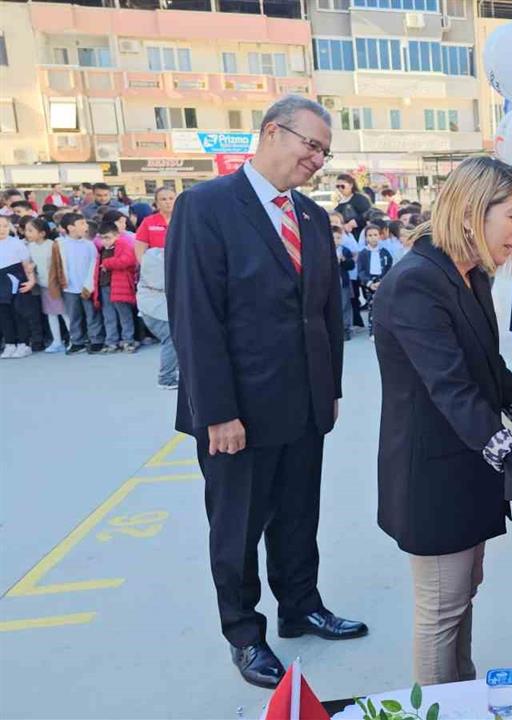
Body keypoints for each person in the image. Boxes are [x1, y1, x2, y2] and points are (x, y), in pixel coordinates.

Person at [167, 96, 363, 689]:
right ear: (272, 132)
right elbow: (195, 316)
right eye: (311, 144)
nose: (318, 159)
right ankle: (244, 633)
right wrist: (217, 412)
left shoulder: (308, 215)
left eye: (325, 151)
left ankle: (301, 606)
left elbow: (327, 311)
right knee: (238, 527)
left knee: (299, 515)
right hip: (239, 412)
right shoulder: (205, 207)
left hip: (303, 403)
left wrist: (328, 388)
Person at [373, 155, 512, 687]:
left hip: (469, 463)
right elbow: (454, 391)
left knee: (463, 597)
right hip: (433, 476)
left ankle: (461, 693)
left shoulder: (468, 274)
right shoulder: (416, 283)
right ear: (471, 211)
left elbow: (489, 368)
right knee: (441, 612)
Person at [58, 212, 103, 355]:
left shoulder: (89, 245)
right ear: (70, 228)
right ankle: (77, 341)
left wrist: (89, 284)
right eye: (82, 223)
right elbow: (59, 265)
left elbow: (94, 264)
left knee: (92, 314)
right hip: (70, 287)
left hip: (87, 286)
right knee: (74, 316)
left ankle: (96, 340)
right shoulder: (61, 244)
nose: (86, 226)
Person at [136, 235, 177, 389]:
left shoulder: (152, 254)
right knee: (171, 341)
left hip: (150, 305)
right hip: (156, 308)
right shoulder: (161, 260)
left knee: (176, 340)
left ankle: (175, 372)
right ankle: (166, 378)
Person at [22, 216, 66, 354]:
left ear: (42, 233)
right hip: (43, 285)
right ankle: (57, 341)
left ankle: (74, 339)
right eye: (26, 230)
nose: (27, 233)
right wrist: (31, 266)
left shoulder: (52, 245)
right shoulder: (30, 246)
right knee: (50, 314)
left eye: (30, 230)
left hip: (55, 285)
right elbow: (30, 262)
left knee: (64, 313)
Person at [95, 223, 137, 354]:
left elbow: (128, 260)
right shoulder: (102, 249)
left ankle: (128, 340)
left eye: (107, 237)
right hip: (105, 285)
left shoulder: (124, 245)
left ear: (117, 235)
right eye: (102, 238)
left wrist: (107, 263)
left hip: (119, 286)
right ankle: (111, 341)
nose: (104, 241)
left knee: (124, 315)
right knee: (109, 316)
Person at [0, 216, 36, 358]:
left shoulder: (16, 244)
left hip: (16, 279)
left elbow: (27, 265)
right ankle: (10, 344)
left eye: (4, 226)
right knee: (4, 314)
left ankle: (24, 344)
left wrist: (31, 281)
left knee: (19, 313)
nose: (1, 229)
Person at [357, 220, 394, 333]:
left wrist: (383, 281)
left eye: (375, 235)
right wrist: (369, 283)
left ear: (380, 236)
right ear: (366, 237)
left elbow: (389, 267)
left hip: (382, 280)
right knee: (372, 306)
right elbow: (361, 270)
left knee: (384, 305)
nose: (373, 238)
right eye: (370, 235)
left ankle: (385, 330)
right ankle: (373, 330)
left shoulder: (384, 252)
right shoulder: (363, 253)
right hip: (370, 282)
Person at [134, 187, 175, 264]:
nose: (168, 202)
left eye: (171, 198)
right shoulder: (148, 222)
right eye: (163, 199)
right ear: (157, 203)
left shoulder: (185, 220)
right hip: (157, 265)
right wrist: (145, 265)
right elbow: (140, 247)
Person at [334, 172, 372, 239]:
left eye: (342, 186)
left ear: (351, 185)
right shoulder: (341, 201)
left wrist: (354, 222)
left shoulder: (359, 199)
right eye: (338, 186)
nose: (340, 189)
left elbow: (369, 215)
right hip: (344, 237)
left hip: (359, 236)